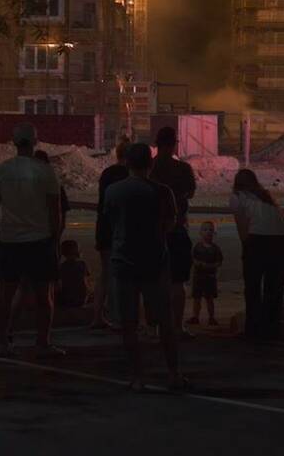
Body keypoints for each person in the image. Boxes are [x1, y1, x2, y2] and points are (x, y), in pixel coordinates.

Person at [99, 142, 186, 391]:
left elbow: (111, 221)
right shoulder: (161, 191)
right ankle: (173, 373)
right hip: (154, 260)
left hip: (123, 259)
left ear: (127, 163)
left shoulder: (113, 191)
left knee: (128, 323)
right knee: (165, 321)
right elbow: (170, 224)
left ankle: (137, 377)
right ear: (150, 163)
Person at [0, 124, 64, 358]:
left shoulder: (0, 171)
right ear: (35, 142)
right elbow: (55, 210)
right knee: (44, 296)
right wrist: (55, 239)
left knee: (5, 295)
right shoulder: (45, 172)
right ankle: (42, 342)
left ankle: (2, 341)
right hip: (40, 239)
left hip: (10, 240)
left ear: (14, 142)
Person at [230, 169, 284, 340]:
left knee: (253, 286)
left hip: (259, 238)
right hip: (283, 236)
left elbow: (242, 228)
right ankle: (272, 329)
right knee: (275, 286)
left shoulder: (237, 197)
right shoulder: (265, 195)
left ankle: (253, 330)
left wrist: (246, 250)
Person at [149, 127, 198, 338]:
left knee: (152, 281)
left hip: (151, 231)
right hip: (177, 229)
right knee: (178, 282)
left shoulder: (149, 168)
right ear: (174, 144)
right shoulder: (183, 168)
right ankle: (177, 326)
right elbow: (192, 192)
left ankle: (154, 326)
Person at [91, 140, 130, 329]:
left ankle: (97, 316)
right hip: (121, 229)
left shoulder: (107, 173)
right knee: (124, 274)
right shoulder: (128, 175)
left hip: (104, 227)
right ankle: (120, 316)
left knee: (105, 273)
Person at [188, 221, 223, 327]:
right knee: (197, 299)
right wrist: (198, 263)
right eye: (205, 229)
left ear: (214, 233)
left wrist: (211, 266)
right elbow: (192, 259)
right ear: (200, 232)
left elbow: (219, 262)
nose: (208, 232)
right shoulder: (197, 247)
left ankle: (211, 317)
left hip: (210, 278)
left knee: (209, 299)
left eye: (210, 230)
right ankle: (195, 317)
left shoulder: (216, 249)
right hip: (198, 277)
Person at [56, 239, 91, 309]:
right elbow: (86, 281)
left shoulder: (61, 267)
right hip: (81, 299)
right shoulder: (82, 264)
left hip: (66, 300)